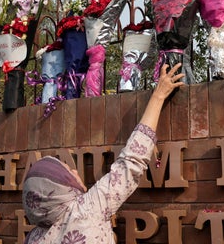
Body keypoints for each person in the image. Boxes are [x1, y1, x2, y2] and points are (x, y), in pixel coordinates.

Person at [22, 63, 185, 243]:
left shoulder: (34, 237)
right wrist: (158, 96)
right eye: (68, 172)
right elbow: (131, 163)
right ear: (59, 190)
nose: (76, 172)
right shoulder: (86, 211)